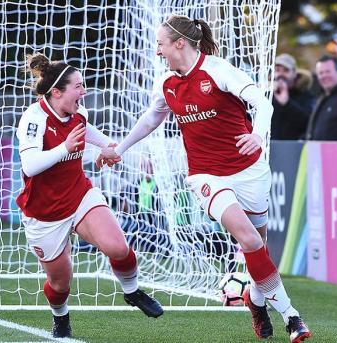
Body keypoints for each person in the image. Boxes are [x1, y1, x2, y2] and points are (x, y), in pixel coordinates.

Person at [97, 15, 310, 342]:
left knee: (260, 246)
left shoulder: (219, 70)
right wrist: (121, 148)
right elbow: (153, 116)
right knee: (249, 241)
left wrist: (257, 134)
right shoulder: (167, 82)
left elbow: (263, 104)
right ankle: (292, 317)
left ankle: (255, 301)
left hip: (249, 169)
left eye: (160, 44)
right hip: (206, 175)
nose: (157, 51)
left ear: (179, 43)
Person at [15, 53, 163, 338]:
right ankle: (60, 318)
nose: (84, 91)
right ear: (57, 92)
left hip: (80, 195)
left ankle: (132, 292)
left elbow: (86, 129)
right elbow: (30, 166)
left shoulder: (78, 111)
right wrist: (64, 149)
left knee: (118, 247)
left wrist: (107, 145)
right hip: (44, 213)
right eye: (78, 87)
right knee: (60, 283)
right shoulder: (33, 119)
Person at [271, 53, 314, 140]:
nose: (281, 74)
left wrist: (287, 103)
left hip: (294, 148)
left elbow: (309, 123)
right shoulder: (268, 95)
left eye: (285, 70)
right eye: (277, 70)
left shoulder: (305, 95)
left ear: (294, 73)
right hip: (270, 147)